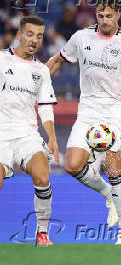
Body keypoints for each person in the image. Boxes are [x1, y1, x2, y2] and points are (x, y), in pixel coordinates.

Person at [45, 0, 121, 245]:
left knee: (114, 167)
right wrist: (40, 81)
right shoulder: (81, 38)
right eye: (100, 16)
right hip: (87, 111)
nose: (104, 20)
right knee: (72, 165)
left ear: (118, 15)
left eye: (109, 16)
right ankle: (107, 193)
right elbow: (56, 61)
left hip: (116, 110)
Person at [0, 16, 59, 246]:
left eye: (39, 35)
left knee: (43, 175)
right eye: (30, 34)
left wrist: (52, 136)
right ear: (19, 35)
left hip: (27, 134)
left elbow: (45, 107)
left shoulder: (41, 71)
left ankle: (42, 233)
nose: (34, 39)